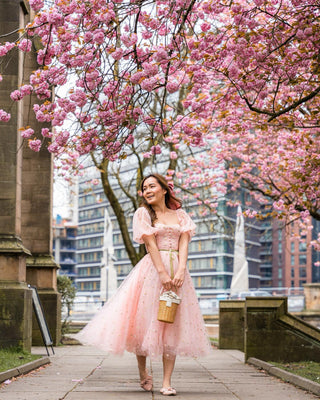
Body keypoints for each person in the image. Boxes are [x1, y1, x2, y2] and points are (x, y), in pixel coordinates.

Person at [76, 173, 212, 396]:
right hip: (152, 270)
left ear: (164, 189)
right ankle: (143, 373)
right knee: (144, 321)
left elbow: (184, 243)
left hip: (178, 270)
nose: (147, 191)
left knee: (172, 324)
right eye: (144, 188)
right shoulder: (142, 214)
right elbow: (150, 245)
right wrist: (162, 273)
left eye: (151, 186)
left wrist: (179, 270)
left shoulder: (181, 215)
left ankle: (166, 382)